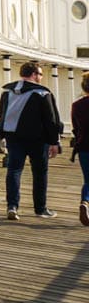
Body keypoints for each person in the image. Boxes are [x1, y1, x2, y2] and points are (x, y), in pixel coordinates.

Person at [0, 62, 62, 220]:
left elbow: (2, 113)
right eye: (40, 74)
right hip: (38, 140)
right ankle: (40, 209)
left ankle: (12, 206)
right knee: (40, 173)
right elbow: (51, 120)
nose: (41, 77)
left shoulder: (7, 91)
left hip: (13, 137)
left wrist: (2, 136)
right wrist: (55, 142)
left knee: (14, 170)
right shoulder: (42, 93)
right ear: (34, 75)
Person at [71, 73, 89, 226]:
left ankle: (85, 201)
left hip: (84, 146)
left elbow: (76, 128)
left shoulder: (77, 105)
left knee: (88, 180)